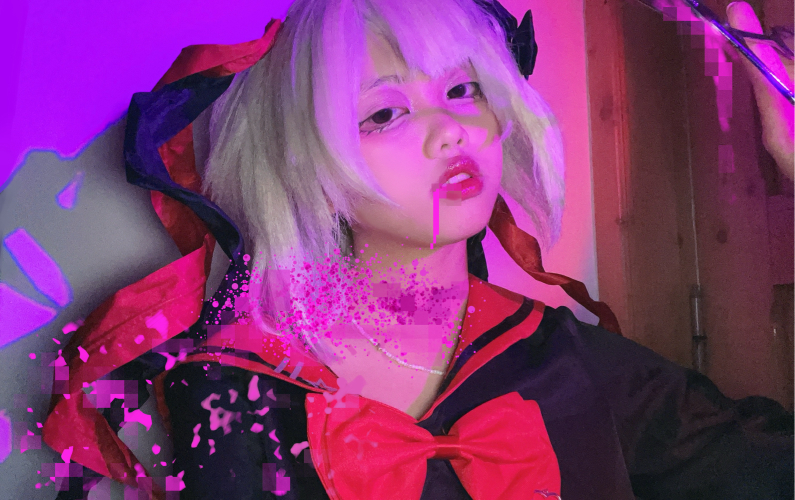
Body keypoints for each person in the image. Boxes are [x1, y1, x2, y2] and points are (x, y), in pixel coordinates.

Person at [42, 0, 793, 499]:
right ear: (307, 167)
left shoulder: (570, 361)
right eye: (386, 112)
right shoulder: (232, 387)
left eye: (464, 92)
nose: (453, 130)